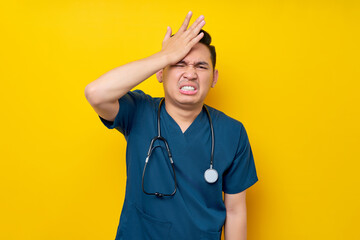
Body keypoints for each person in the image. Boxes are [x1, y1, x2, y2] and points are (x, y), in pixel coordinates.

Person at [85, 11, 258, 240]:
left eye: (201, 66)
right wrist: (164, 56)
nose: (190, 74)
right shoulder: (138, 111)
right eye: (179, 63)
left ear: (214, 78)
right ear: (160, 72)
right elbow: (96, 93)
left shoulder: (232, 132)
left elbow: (235, 211)